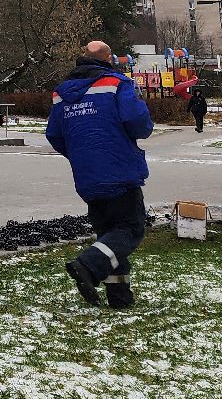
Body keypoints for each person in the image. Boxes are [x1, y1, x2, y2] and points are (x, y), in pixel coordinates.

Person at [47, 41, 153, 310]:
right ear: (108, 58)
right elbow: (139, 124)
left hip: (87, 174)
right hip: (119, 169)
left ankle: (119, 296)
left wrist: (80, 155)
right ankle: (88, 265)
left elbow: (55, 135)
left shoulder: (61, 93)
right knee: (130, 228)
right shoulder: (117, 84)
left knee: (109, 234)